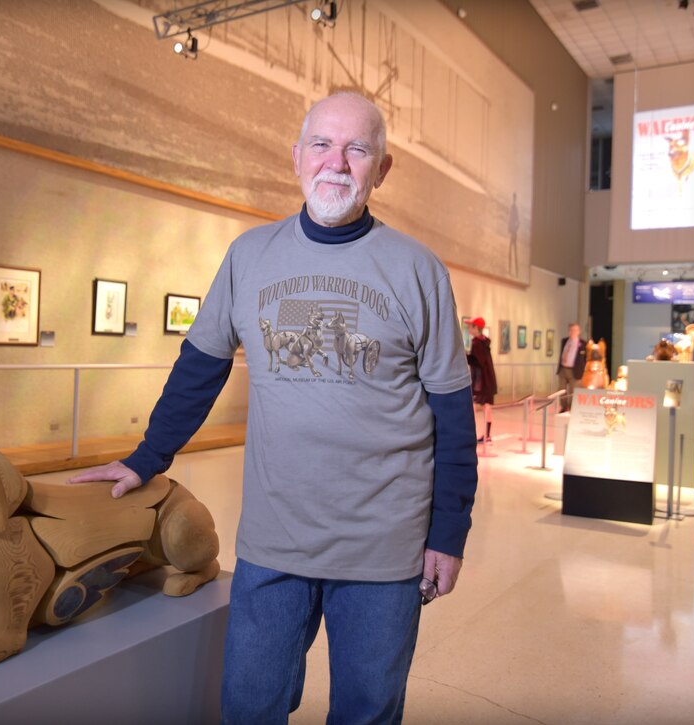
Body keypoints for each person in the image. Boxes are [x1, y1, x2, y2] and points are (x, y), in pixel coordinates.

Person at [68, 92, 478, 724]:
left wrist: (448, 535)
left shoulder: (417, 270)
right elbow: (198, 371)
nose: (336, 162)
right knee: (249, 706)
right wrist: (146, 458)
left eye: (357, 148)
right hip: (273, 541)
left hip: (383, 549)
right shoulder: (249, 255)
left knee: (367, 713)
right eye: (321, 144)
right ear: (296, 158)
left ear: (382, 169)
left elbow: (452, 415)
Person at [466, 317, 497, 442]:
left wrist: (465, 356)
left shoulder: (477, 343)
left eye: (470, 326)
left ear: (476, 328)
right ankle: (487, 434)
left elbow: (478, 361)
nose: (468, 329)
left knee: (477, 406)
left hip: (481, 382)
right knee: (486, 407)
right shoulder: (484, 342)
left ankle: (477, 434)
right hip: (487, 380)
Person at [556, 323, 587, 412]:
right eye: (571, 330)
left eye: (575, 330)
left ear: (579, 331)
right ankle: (563, 407)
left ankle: (572, 409)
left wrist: (583, 371)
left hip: (575, 371)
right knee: (562, 390)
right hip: (563, 369)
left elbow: (586, 358)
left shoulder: (583, 344)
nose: (573, 332)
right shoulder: (564, 341)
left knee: (573, 391)